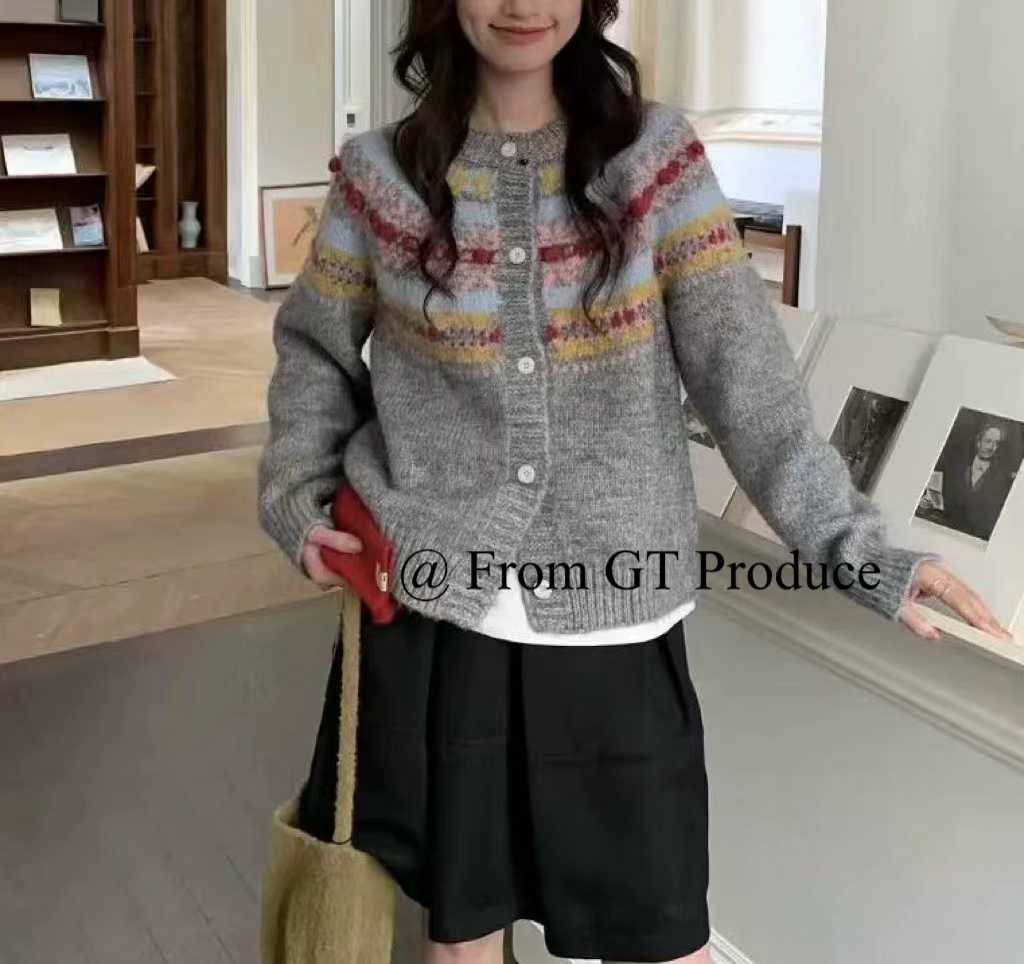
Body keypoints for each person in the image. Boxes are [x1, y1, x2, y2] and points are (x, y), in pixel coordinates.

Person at [256, 2, 1013, 962]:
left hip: (613, 618)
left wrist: (858, 549)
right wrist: (300, 498)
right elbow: (314, 352)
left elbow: (747, 380)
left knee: (662, 934)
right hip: (433, 615)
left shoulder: (655, 163)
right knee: (461, 936)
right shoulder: (380, 177)